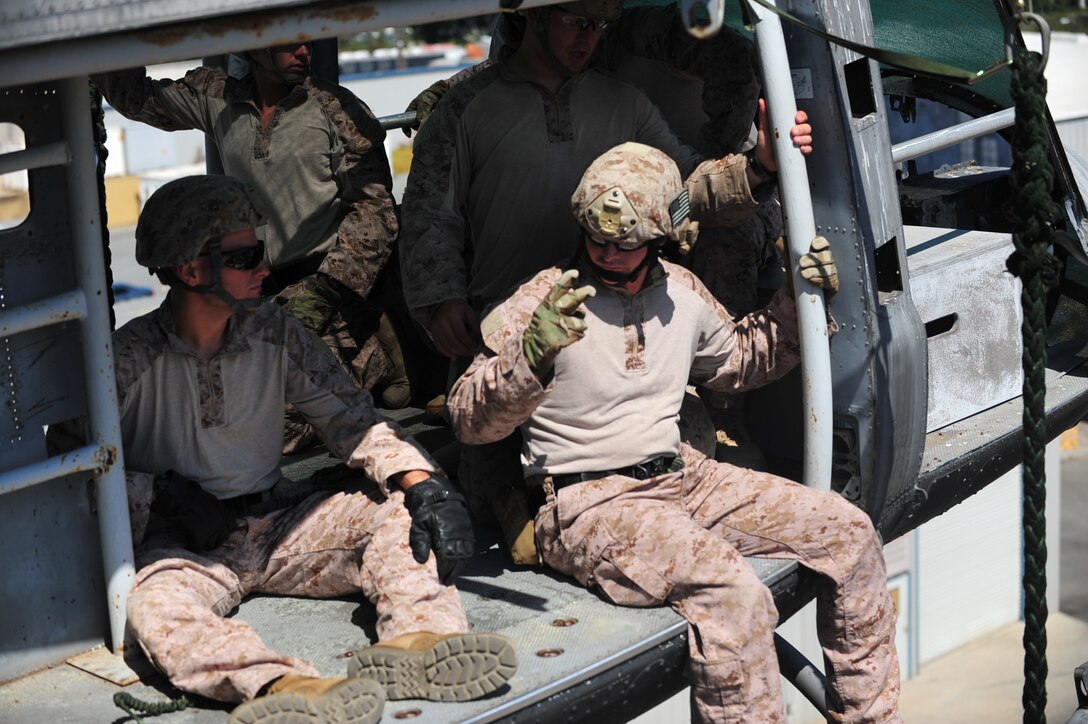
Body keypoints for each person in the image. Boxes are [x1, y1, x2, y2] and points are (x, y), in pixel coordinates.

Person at [446, 143, 897, 723]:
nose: (608, 255)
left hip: (683, 477)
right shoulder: (544, 301)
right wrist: (529, 360)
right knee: (731, 594)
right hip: (590, 503)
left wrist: (796, 300)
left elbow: (739, 360)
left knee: (851, 533)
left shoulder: (680, 292)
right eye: (598, 240)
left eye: (625, 244)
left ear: (657, 238)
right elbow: (466, 417)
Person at [400, 0, 812, 557]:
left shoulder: (624, 104)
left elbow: (683, 196)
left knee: (673, 452)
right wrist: (441, 299)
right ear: (537, 16)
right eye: (576, 22)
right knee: (486, 483)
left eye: (599, 27)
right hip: (508, 337)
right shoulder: (467, 108)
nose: (589, 38)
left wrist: (757, 168)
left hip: (604, 330)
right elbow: (430, 214)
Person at [100, 175, 516, 723]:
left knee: (401, 514)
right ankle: (282, 686)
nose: (265, 269)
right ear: (190, 269)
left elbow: (351, 420)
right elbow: (78, 470)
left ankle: (419, 644)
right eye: (246, 256)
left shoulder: (274, 332)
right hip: (184, 548)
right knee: (155, 610)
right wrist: (159, 495)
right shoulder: (127, 357)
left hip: (279, 524)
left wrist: (422, 483)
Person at [93, 41, 411, 431]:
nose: (304, 51)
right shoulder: (216, 97)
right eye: (287, 43)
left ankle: (374, 353)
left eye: (308, 40)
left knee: (279, 422)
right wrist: (118, 30)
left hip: (329, 291)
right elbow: (137, 99)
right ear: (253, 49)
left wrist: (327, 289)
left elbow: (376, 209)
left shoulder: (337, 110)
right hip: (254, 295)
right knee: (215, 400)